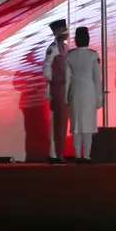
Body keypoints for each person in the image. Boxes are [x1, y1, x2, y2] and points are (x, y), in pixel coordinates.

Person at [65, 27, 103, 163]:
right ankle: (86, 156)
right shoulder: (93, 55)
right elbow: (97, 78)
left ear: (76, 39)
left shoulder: (70, 55)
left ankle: (77, 155)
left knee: (76, 124)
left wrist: (66, 96)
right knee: (88, 124)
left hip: (75, 91)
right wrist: (99, 98)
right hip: (89, 91)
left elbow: (67, 78)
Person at [43, 19, 69, 163]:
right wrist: (56, 79)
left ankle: (60, 153)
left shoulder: (65, 47)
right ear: (56, 32)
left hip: (64, 90)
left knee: (63, 123)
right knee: (55, 123)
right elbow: (46, 68)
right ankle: (53, 154)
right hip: (55, 90)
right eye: (62, 29)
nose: (65, 32)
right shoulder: (52, 48)